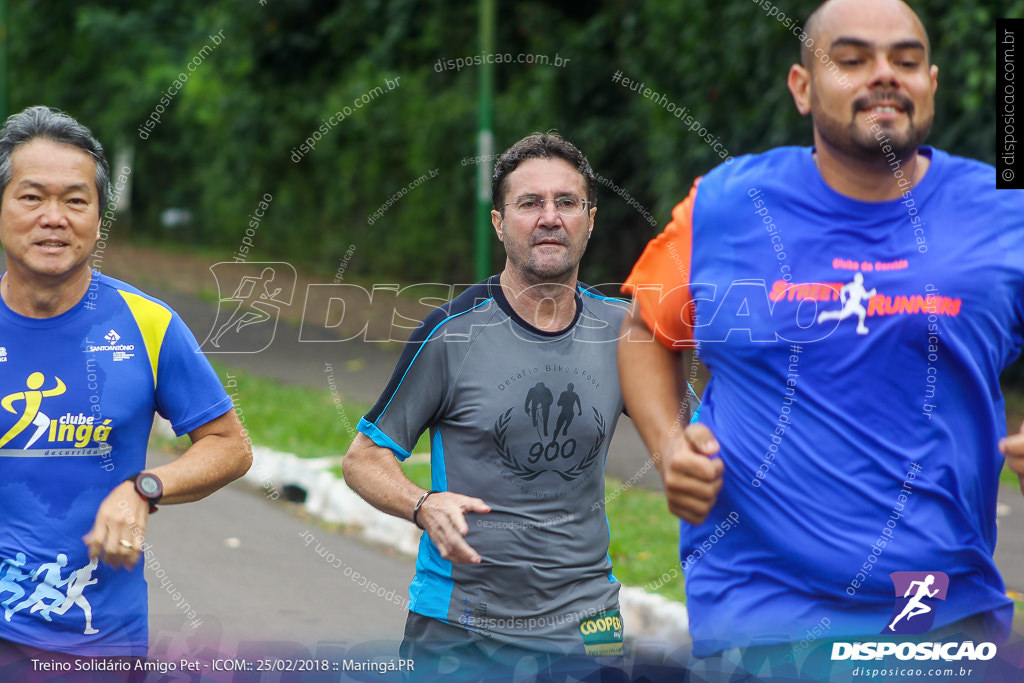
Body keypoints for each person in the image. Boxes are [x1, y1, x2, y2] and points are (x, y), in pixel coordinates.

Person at [618, 0, 1024, 671]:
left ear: (932, 83)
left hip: (933, 598)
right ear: (802, 88)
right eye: (854, 59)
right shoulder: (726, 205)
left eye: (907, 61)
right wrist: (667, 447)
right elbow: (644, 330)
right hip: (760, 600)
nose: (885, 75)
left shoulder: (1003, 214)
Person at [343, 132, 628, 678]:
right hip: (462, 628)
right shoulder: (452, 334)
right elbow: (363, 458)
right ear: (500, 224)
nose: (550, 217)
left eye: (566, 202)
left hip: (589, 624)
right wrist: (422, 504)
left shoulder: (624, 332)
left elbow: (699, 442)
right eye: (529, 203)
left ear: (590, 219)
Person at [0, 106, 251, 667]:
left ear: (98, 216)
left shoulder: (146, 324)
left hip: (98, 643)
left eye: (75, 200)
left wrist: (145, 488)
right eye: (32, 197)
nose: (54, 217)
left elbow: (230, 446)